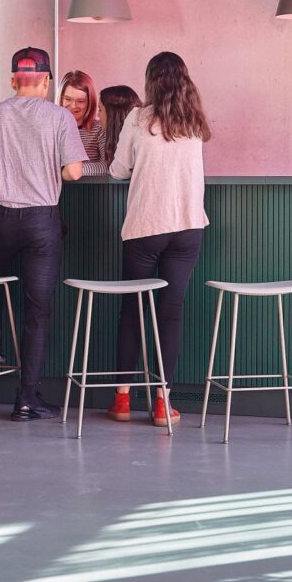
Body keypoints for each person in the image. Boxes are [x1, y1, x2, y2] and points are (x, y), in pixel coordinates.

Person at [0, 47, 87, 421]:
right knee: (37, 310)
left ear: (13, 80)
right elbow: (75, 173)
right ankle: (26, 398)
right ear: (47, 81)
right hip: (41, 222)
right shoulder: (59, 116)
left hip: (2, 218)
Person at [107, 52, 211, 427]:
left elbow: (119, 171)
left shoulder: (137, 118)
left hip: (146, 226)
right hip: (187, 228)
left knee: (133, 311)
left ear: (150, 80)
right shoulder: (194, 122)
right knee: (169, 314)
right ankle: (164, 404)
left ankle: (121, 400)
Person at [82, 85, 141, 176]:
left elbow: (113, 168)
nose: (98, 115)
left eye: (100, 110)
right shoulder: (113, 136)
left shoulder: (135, 138)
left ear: (112, 113)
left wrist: (78, 170)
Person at [59, 70, 104, 164]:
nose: (73, 106)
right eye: (67, 99)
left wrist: (73, 171)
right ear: (60, 98)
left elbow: (107, 166)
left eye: (80, 101)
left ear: (90, 102)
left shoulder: (99, 129)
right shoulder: (50, 128)